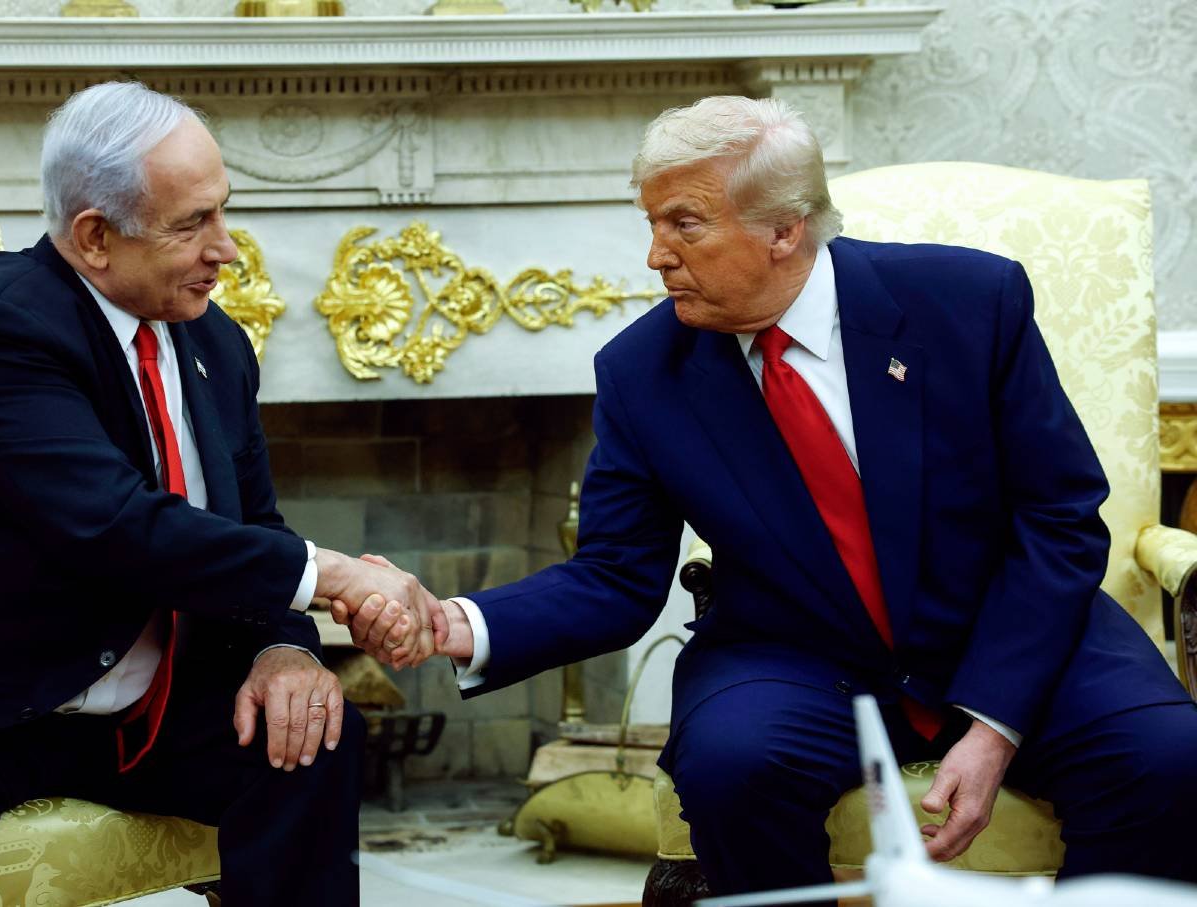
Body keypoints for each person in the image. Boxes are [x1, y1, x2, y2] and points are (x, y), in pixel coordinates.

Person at [338, 96, 1197, 898]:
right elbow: (615, 574)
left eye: (684, 224)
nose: (654, 255)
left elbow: (1058, 515)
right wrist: (459, 622)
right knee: (733, 766)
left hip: (1005, 621)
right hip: (793, 650)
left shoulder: (969, 304)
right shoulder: (643, 373)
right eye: (651, 223)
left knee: (1166, 758)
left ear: (784, 229)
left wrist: (996, 721)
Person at [0, 80, 442, 907]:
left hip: (142, 710)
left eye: (222, 210)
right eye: (191, 223)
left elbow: (251, 525)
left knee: (310, 737)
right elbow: (115, 525)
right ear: (95, 236)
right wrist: (343, 577)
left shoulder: (217, 342)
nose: (228, 249)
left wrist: (286, 648)